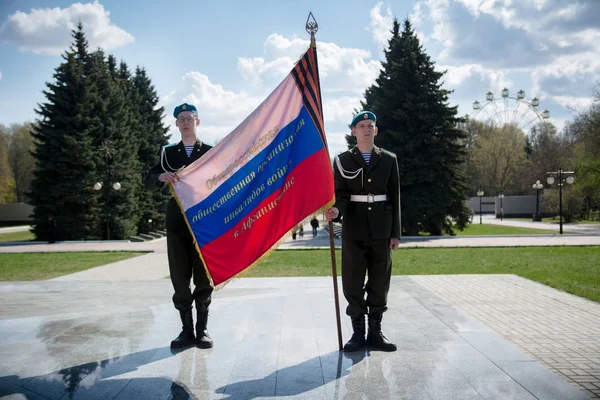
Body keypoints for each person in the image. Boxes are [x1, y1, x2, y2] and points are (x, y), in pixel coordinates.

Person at [325, 111, 400, 352]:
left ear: (376, 131)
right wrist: (336, 210)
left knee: (380, 281)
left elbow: (396, 197)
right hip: (354, 228)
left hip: (381, 228)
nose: (366, 129)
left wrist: (395, 232)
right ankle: (358, 333)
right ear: (353, 131)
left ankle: (375, 332)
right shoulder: (342, 160)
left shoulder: (389, 160)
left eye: (370, 125)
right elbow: (341, 194)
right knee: (352, 281)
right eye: (361, 125)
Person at [144, 103, 214, 349]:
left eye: (190, 118)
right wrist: (160, 177)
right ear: (176, 124)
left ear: (198, 121)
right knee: (179, 274)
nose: (186, 122)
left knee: (204, 275)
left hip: (204, 218)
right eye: (181, 118)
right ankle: (186, 330)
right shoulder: (167, 153)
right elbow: (149, 179)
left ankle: (202, 329)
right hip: (177, 219)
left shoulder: (210, 151)